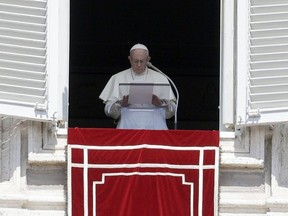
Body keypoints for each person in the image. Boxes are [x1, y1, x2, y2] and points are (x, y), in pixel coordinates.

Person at [99, 43, 176, 129]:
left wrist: (161, 103)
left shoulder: (161, 78)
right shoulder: (118, 77)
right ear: (129, 59)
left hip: (156, 128)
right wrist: (120, 104)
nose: (139, 65)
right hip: (127, 128)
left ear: (148, 59)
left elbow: (173, 111)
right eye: (135, 61)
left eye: (142, 61)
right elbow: (108, 111)